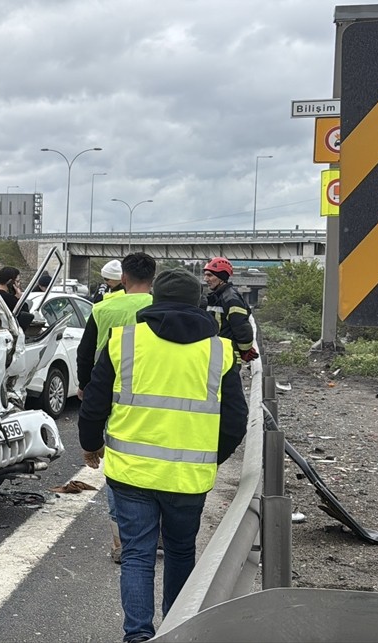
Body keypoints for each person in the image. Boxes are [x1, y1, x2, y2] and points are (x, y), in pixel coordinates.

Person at [78, 269, 248, 643]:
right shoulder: (220, 350)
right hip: (188, 479)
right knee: (179, 552)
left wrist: (91, 445)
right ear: (198, 302)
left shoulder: (124, 341)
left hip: (131, 474)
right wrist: (207, 456)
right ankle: (176, 631)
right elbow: (236, 421)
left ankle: (137, 636)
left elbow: (93, 403)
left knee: (137, 554)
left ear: (154, 300)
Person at [74, 252, 157, 563]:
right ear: (152, 280)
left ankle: (121, 541)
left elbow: (85, 353)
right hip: (153, 393)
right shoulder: (158, 307)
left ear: (123, 279)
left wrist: (85, 387)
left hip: (110, 394)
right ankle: (155, 534)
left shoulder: (103, 307)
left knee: (119, 466)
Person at [202, 256, 258, 363]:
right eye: (205, 275)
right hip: (217, 354)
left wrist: (245, 350)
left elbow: (241, 327)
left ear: (221, 277)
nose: (205, 279)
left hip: (228, 356)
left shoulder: (231, 299)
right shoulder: (217, 297)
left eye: (210, 275)